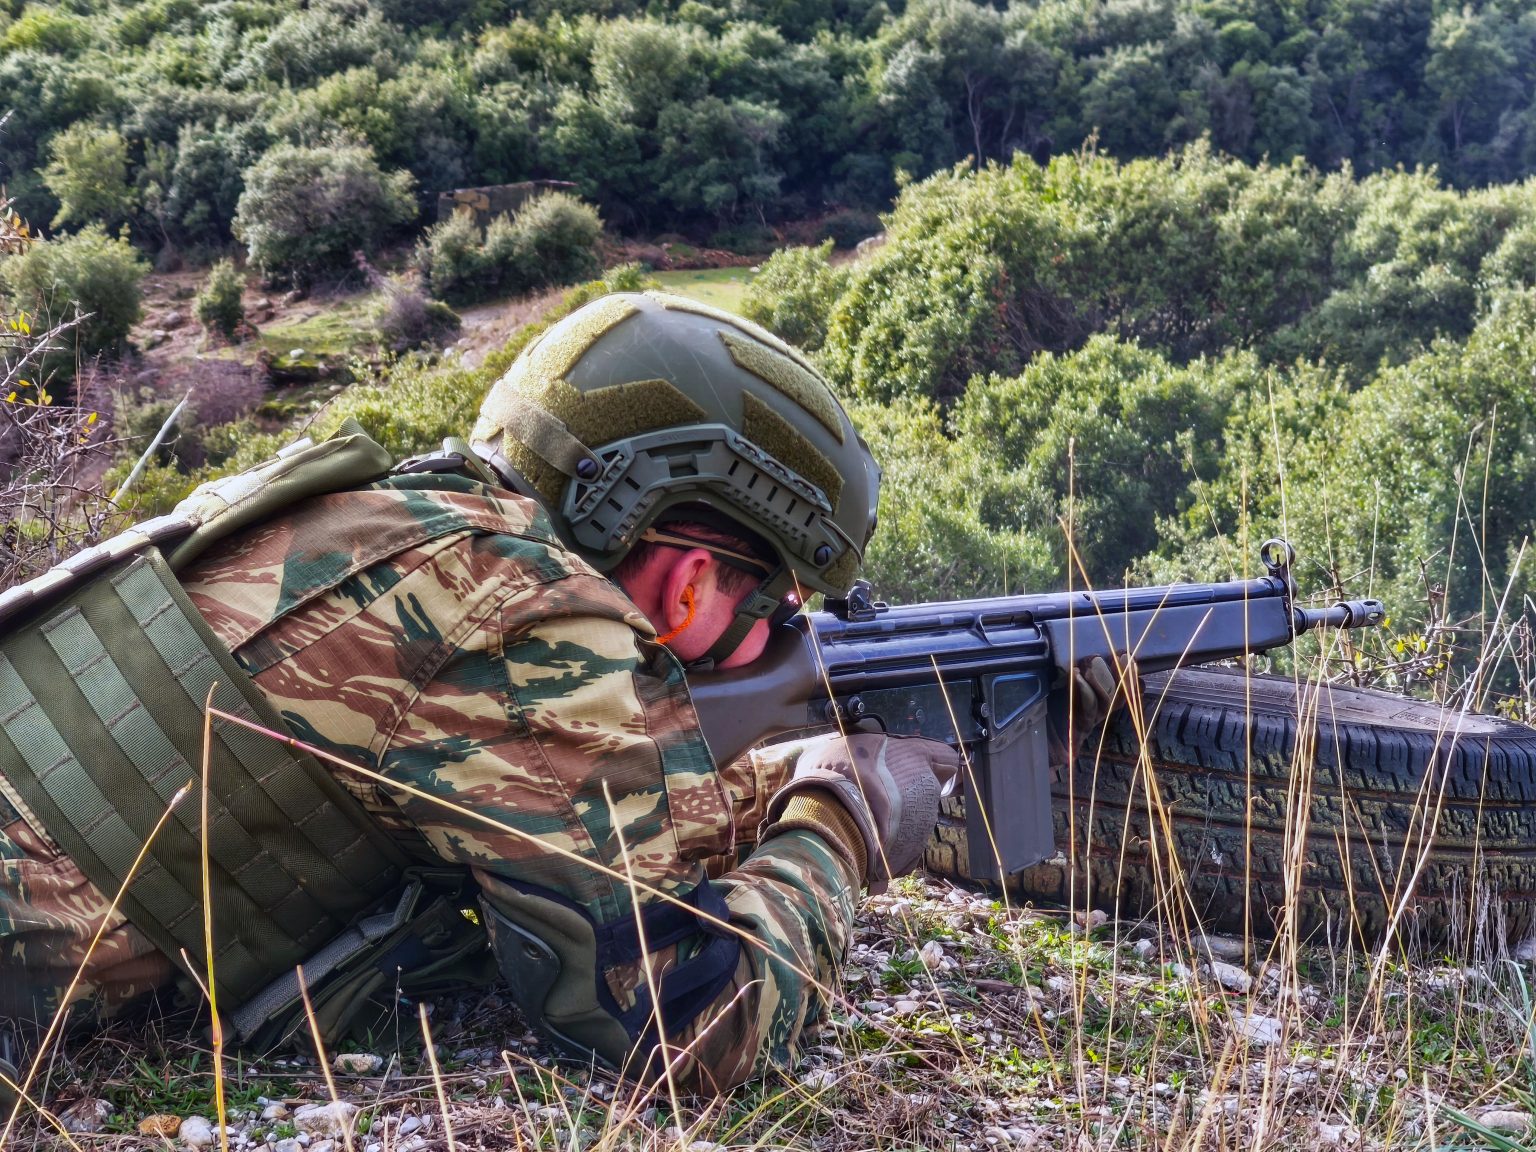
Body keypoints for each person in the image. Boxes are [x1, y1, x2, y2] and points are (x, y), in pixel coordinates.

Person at [0, 292, 1116, 1094]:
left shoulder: (402, 525)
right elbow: (687, 1029)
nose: (777, 635)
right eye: (772, 604)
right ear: (688, 580)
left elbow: (537, 803)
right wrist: (840, 812)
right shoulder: (530, 620)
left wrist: (743, 783)